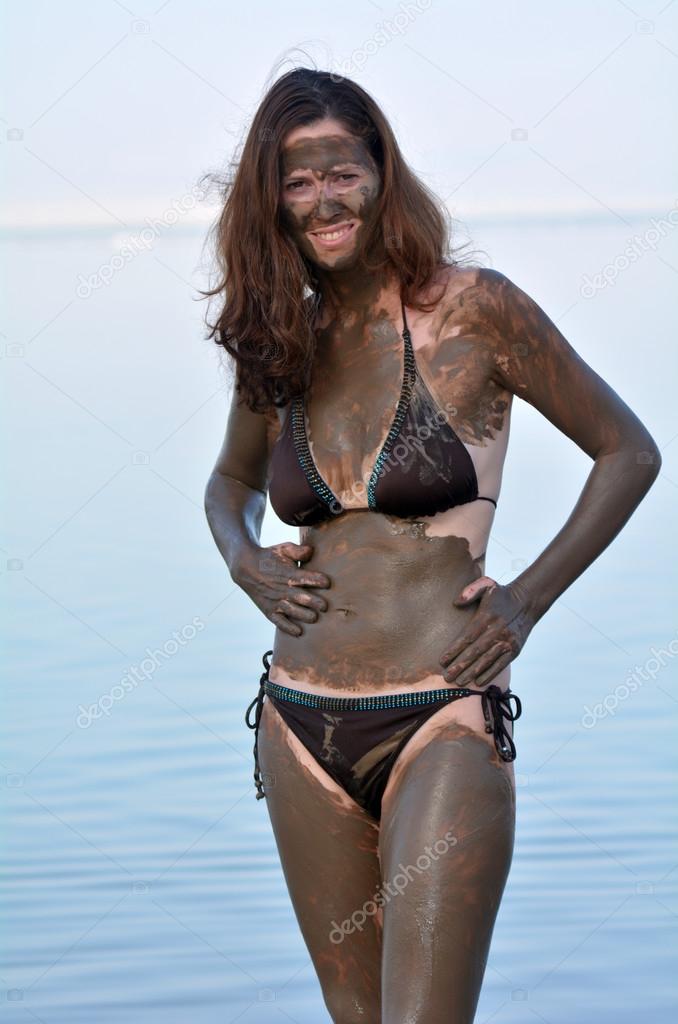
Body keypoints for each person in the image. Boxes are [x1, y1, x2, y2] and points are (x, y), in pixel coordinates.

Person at [203, 68, 661, 1024]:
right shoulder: (282, 335)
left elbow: (628, 452)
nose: (322, 197)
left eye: (340, 171)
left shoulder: (475, 310)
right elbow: (233, 484)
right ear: (269, 202)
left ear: (381, 171)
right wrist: (242, 557)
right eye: (294, 181)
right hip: (298, 721)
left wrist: (526, 600)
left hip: (443, 717)